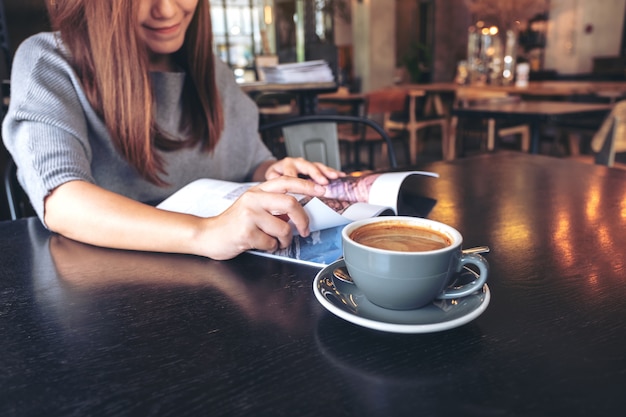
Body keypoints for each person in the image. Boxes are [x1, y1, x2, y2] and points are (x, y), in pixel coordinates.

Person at [1, 0, 343, 260]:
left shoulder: (212, 73)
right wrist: (206, 233)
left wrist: (272, 172)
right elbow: (62, 201)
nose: (166, 10)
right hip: (110, 294)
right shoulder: (49, 61)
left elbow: (248, 161)